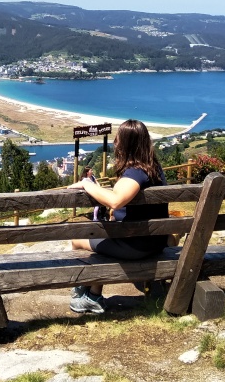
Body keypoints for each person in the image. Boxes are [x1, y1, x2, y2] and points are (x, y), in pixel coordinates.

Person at [67, 119, 168, 314]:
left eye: (117, 139)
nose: (114, 143)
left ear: (124, 144)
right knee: (103, 238)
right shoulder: (153, 168)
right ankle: (93, 294)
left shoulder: (136, 173)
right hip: (154, 242)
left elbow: (115, 200)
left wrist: (88, 185)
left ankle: (83, 294)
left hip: (136, 246)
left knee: (78, 240)